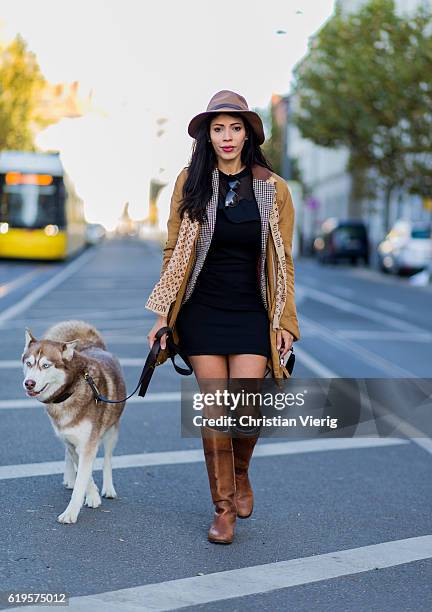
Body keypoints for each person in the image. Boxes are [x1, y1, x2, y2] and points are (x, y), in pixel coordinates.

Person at [145, 90, 300, 544]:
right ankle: (223, 510)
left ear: (248, 133)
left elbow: (284, 260)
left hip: (253, 310)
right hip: (202, 310)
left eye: (234, 128)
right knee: (216, 411)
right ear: (207, 136)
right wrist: (162, 315)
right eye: (218, 129)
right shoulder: (190, 183)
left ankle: (240, 471)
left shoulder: (273, 188)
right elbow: (173, 250)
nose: (227, 137)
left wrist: (287, 322)